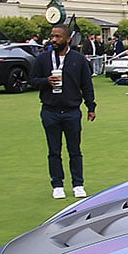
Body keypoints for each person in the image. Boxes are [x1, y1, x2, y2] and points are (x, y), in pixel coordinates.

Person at [29, 23, 97, 199]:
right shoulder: (43, 59)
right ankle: (57, 184)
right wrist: (46, 81)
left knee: (74, 150)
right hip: (50, 111)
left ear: (68, 39)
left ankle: (78, 184)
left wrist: (91, 107)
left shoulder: (78, 59)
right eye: (52, 36)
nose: (54, 40)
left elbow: (86, 85)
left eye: (58, 36)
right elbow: (33, 80)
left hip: (72, 111)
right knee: (54, 150)